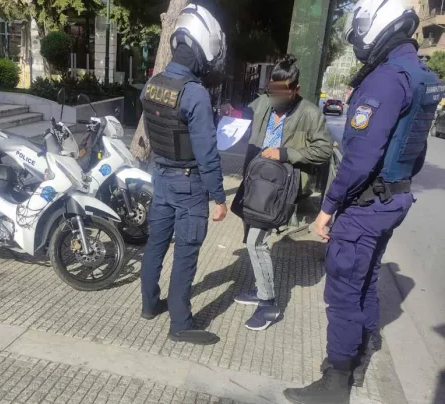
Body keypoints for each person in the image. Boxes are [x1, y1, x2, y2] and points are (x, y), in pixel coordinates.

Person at [284, 1, 443, 403]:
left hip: (366, 206)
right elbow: (416, 150)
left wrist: (327, 209)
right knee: (367, 279)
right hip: (394, 198)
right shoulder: (421, 75)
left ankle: (335, 382)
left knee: (342, 293)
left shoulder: (386, 79)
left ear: (375, 25)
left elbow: (359, 159)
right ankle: (360, 357)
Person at [139, 4, 228, 346]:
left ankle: (149, 305)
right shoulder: (194, 94)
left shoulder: (152, 85)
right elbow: (207, 152)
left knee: (156, 245)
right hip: (189, 184)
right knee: (186, 254)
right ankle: (180, 323)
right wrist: (218, 197)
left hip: (160, 178)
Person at [226, 55, 333, 331]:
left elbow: (323, 150)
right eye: (272, 90)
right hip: (255, 182)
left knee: (256, 242)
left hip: (279, 189)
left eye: (282, 92)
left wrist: (285, 153)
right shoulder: (264, 102)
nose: (275, 97)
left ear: (295, 89)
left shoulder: (309, 113)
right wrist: (231, 113)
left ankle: (268, 304)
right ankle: (260, 288)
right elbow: (245, 115)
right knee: (250, 237)